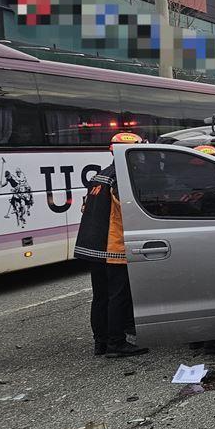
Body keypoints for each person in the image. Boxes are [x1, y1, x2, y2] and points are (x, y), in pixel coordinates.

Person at [74, 131, 147, 358]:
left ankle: (101, 342)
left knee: (101, 297)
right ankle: (116, 343)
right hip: (113, 247)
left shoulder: (101, 175)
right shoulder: (122, 177)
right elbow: (129, 210)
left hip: (93, 246)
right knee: (118, 296)